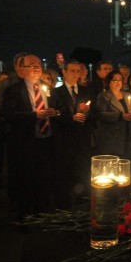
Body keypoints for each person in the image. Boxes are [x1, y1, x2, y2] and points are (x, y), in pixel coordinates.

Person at [2, 54, 60, 220]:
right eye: (31, 65)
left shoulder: (48, 88)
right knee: (26, 180)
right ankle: (25, 217)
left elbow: (59, 108)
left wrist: (55, 112)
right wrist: (34, 115)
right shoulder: (13, 91)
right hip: (26, 142)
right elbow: (9, 114)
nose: (36, 68)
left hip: (46, 141)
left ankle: (42, 215)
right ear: (22, 69)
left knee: (44, 179)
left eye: (38, 65)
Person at [52, 60, 94, 208]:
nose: (75, 74)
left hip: (82, 138)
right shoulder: (56, 92)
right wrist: (71, 118)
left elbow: (94, 112)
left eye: (78, 71)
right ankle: (64, 204)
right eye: (72, 71)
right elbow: (55, 114)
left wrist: (86, 113)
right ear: (64, 72)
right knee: (65, 171)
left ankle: (82, 201)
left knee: (82, 170)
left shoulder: (85, 91)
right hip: (65, 138)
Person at [95, 70, 131, 157]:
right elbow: (101, 114)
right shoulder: (104, 96)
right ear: (109, 82)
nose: (118, 82)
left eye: (120, 79)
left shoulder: (127, 95)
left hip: (127, 134)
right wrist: (120, 116)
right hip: (112, 137)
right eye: (115, 80)